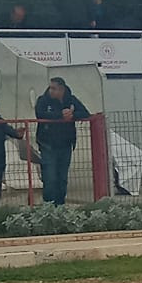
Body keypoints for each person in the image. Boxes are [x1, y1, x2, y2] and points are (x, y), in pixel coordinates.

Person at [33, 75, 88, 204]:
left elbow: (85, 113)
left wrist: (72, 115)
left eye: (54, 88)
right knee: (50, 177)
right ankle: (48, 206)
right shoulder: (43, 100)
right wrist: (60, 115)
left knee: (62, 178)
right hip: (47, 145)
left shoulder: (71, 100)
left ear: (62, 89)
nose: (51, 91)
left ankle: (60, 206)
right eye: (50, 88)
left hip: (66, 145)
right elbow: (40, 114)